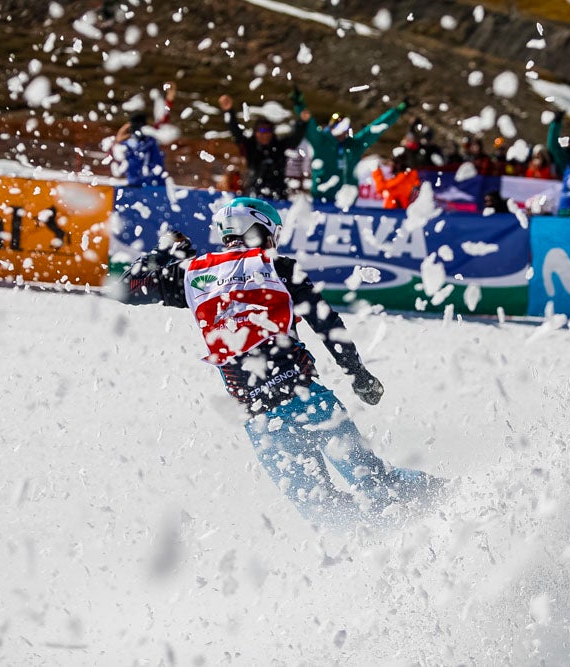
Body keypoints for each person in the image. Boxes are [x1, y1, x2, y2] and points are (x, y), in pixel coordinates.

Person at [119, 197, 442, 526]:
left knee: (322, 509)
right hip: (305, 400)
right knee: (372, 483)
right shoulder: (278, 265)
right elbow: (328, 326)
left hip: (259, 419)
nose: (273, 241)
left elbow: (125, 289)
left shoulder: (190, 273)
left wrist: (163, 253)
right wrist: (358, 374)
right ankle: (447, 503)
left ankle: (445, 506)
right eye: (272, 233)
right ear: (257, 228)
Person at [298, 94, 411, 205]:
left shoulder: (354, 146)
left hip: (347, 203)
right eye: (338, 126)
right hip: (322, 201)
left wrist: (397, 112)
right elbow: (309, 123)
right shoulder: (321, 142)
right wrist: (299, 105)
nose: (343, 131)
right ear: (331, 126)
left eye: (346, 127)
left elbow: (375, 129)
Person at [219, 93, 309, 200]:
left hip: (278, 196)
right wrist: (229, 111)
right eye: (261, 130)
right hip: (254, 194)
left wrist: (303, 122)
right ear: (255, 132)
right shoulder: (250, 146)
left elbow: (295, 138)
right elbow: (236, 132)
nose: (264, 134)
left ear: (272, 133)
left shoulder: (280, 146)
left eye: (267, 131)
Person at [113, 111, 168, 187]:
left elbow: (157, 166)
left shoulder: (150, 143)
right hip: (135, 185)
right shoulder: (130, 143)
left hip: (151, 186)